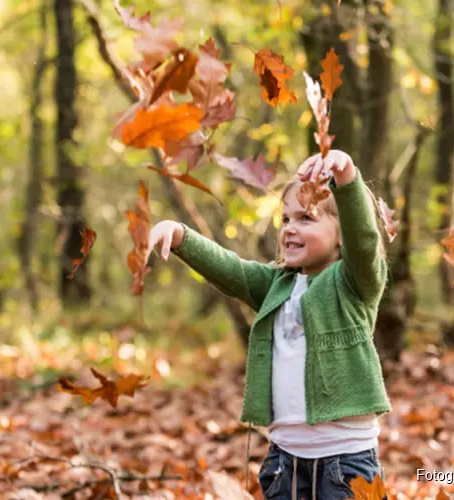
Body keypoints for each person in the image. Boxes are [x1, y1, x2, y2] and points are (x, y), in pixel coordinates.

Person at [147, 149, 391, 499]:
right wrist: (182, 237)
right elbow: (232, 270)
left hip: (345, 460)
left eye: (306, 218)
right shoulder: (278, 285)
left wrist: (347, 178)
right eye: (286, 220)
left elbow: (364, 242)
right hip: (284, 459)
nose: (290, 229)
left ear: (341, 235)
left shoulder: (353, 283)